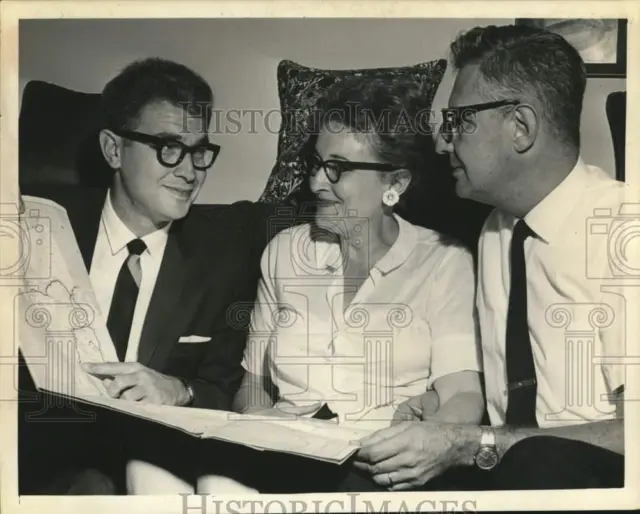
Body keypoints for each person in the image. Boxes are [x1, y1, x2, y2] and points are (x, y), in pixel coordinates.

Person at [351, 23, 630, 491]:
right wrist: (440, 412)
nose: (442, 143)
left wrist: (471, 443)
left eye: (458, 121)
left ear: (520, 127)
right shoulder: (495, 231)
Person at [197, 75, 486, 494]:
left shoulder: (444, 261)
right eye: (316, 164)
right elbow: (252, 386)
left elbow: (463, 395)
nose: (317, 183)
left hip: (378, 468)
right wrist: (260, 420)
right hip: (279, 457)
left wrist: (428, 439)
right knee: (207, 484)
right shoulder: (284, 251)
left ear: (395, 184)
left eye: (338, 169)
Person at [18, 57, 271, 494]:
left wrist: (179, 390)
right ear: (114, 149)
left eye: (199, 152)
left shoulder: (224, 254)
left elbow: (224, 384)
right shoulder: (37, 225)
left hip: (153, 468)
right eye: (168, 147)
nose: (190, 171)